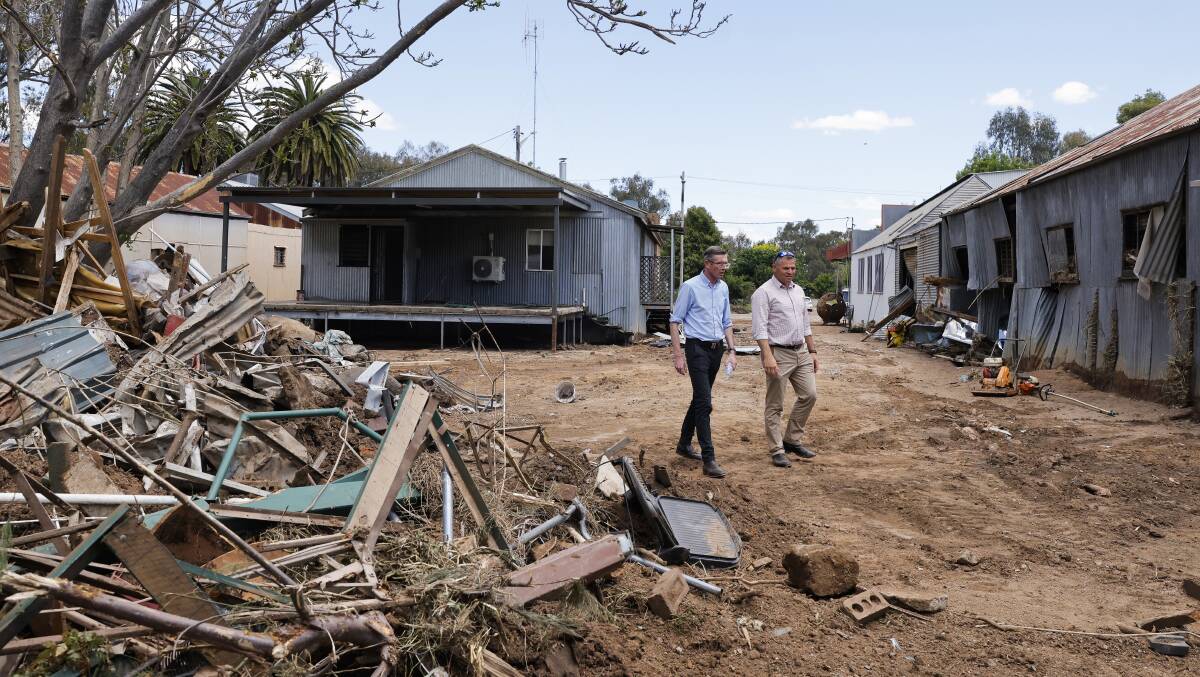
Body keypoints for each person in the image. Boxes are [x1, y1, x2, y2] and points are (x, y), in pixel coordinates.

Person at [669, 245, 736, 478]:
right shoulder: (690, 287)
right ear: (707, 264)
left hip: (716, 350)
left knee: (699, 399)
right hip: (697, 349)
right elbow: (675, 322)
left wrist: (732, 350)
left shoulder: (723, 288)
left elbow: (727, 321)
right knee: (705, 403)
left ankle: (684, 444)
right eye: (720, 263)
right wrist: (678, 355)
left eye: (726, 263)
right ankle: (709, 458)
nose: (724, 267)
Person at [750, 251, 819, 468]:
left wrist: (813, 350)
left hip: (801, 352)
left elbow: (805, 323)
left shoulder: (798, 291)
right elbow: (759, 329)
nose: (790, 272)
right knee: (775, 404)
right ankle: (777, 449)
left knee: (809, 395)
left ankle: (792, 439)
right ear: (774, 268)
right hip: (778, 353)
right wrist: (767, 356)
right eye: (785, 268)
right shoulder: (763, 293)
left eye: (793, 268)